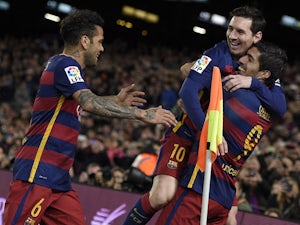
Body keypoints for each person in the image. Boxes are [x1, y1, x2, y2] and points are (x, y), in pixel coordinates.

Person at [3, 9, 177, 225]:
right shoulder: (65, 64)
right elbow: (88, 102)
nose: (102, 48)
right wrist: (142, 114)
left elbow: (86, 99)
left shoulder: (65, 68)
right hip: (37, 171)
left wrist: (114, 100)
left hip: (59, 180)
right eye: (100, 41)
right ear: (85, 41)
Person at [122, 5, 285, 225]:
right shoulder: (216, 53)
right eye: (230, 29)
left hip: (210, 142)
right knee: (163, 195)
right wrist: (209, 132)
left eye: (240, 32)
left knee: (230, 216)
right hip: (189, 131)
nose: (232, 36)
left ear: (256, 37)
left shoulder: (261, 60)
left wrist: (252, 82)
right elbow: (187, 93)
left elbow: (280, 106)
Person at [155, 40, 288, 224]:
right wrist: (254, 83)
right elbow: (281, 106)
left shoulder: (235, 91)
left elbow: (190, 82)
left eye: (249, 59)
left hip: (199, 189)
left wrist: (193, 69)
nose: (241, 60)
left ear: (264, 74)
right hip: (224, 200)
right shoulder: (270, 108)